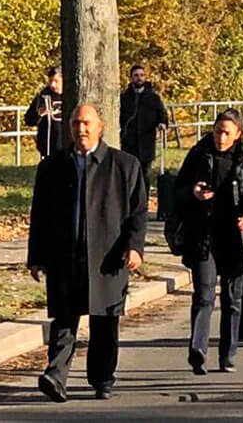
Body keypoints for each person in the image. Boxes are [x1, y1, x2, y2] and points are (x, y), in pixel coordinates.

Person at [27, 104, 147, 402]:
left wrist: (134, 247)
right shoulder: (53, 167)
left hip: (108, 257)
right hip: (65, 255)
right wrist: (37, 257)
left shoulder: (124, 165)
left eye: (86, 123)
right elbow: (40, 214)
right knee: (64, 320)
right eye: (75, 123)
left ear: (100, 126)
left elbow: (138, 212)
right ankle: (55, 376)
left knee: (104, 321)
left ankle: (102, 378)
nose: (80, 129)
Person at [172, 109, 243, 374]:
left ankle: (228, 353)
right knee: (204, 294)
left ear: (238, 134)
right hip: (204, 233)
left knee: (232, 299)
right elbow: (177, 190)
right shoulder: (199, 154)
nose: (220, 138)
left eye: (226, 133)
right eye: (217, 131)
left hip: (234, 236)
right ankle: (198, 351)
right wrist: (193, 193)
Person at [118, 64, 167, 179]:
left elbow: (162, 114)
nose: (139, 78)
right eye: (136, 75)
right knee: (129, 174)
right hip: (129, 144)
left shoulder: (153, 98)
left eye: (141, 75)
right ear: (131, 78)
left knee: (144, 175)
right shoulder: (124, 98)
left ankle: (144, 191)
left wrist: (162, 124)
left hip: (147, 143)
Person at [25, 66, 64, 159]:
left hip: (67, 148)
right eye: (50, 81)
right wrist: (40, 114)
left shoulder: (71, 95)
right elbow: (29, 120)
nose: (52, 85)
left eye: (56, 81)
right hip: (48, 149)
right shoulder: (43, 97)